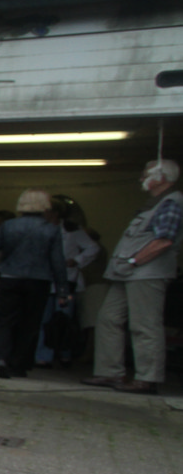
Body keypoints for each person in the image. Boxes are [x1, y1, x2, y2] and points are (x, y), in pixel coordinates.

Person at [82, 159, 181, 394]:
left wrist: (135, 261)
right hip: (127, 273)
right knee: (108, 318)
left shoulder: (171, 203)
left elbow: (164, 241)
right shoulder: (154, 204)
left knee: (144, 325)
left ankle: (147, 378)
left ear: (161, 178)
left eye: (145, 174)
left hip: (146, 273)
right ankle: (110, 372)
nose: (141, 178)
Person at [0, 189, 68, 379]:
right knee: (30, 323)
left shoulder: (8, 226)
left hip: (10, 277)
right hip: (39, 280)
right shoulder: (51, 229)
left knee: (5, 321)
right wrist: (62, 290)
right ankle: (18, 364)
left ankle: (2, 359)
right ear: (45, 206)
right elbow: (58, 262)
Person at [35, 198, 100, 368]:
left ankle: (65, 354)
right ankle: (43, 356)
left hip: (66, 280)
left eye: (46, 211)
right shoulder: (39, 229)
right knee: (43, 319)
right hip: (45, 279)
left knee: (64, 319)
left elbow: (93, 248)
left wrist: (76, 260)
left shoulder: (72, 230)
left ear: (55, 213)